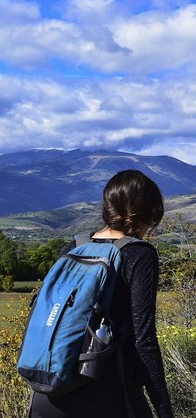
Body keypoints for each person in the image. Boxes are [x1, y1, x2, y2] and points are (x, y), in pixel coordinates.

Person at [30, 170, 174, 418]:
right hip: (106, 391)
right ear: (145, 213)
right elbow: (144, 341)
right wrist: (163, 409)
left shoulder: (73, 248)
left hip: (47, 392)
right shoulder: (139, 255)